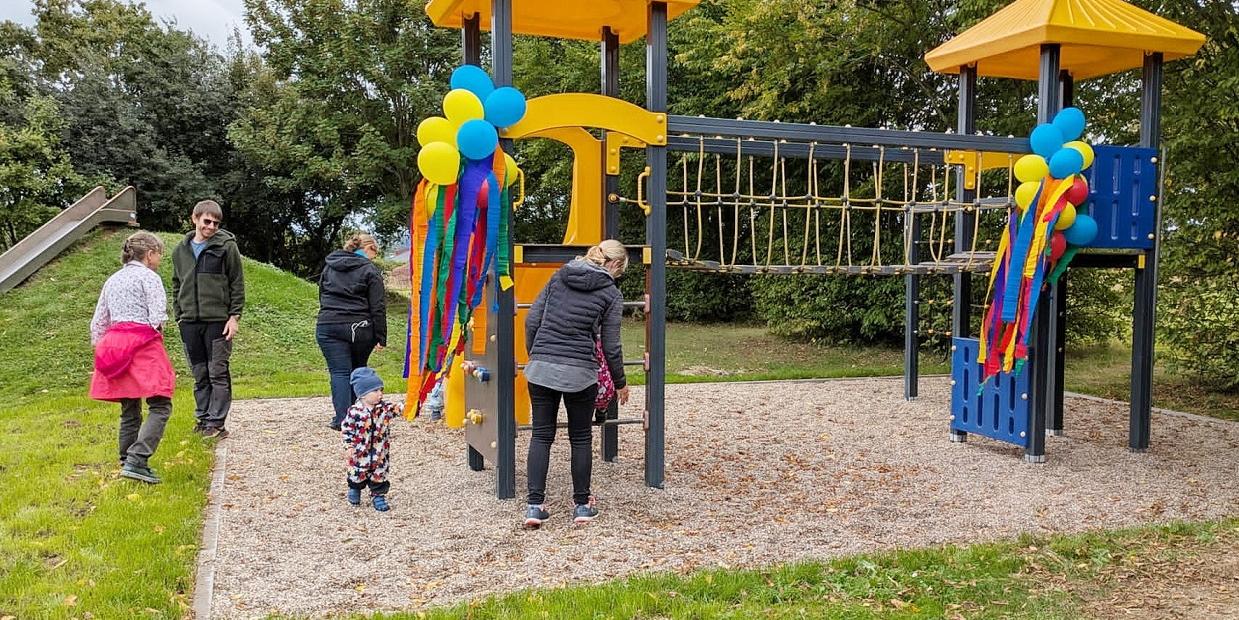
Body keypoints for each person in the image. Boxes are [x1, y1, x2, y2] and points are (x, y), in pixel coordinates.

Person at [522, 239, 630, 528]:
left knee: (541, 435)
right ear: (615, 264)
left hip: (541, 367)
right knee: (580, 437)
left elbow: (532, 320)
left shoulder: (560, 275)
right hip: (580, 372)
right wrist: (620, 382)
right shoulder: (610, 294)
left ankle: (535, 507)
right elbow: (611, 345)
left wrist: (537, 354)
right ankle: (582, 505)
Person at [90, 232, 177, 484]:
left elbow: (99, 321)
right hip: (142, 343)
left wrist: (102, 348)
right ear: (150, 254)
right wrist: (156, 337)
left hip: (115, 343)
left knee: (129, 407)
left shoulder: (112, 280)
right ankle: (137, 460)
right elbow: (157, 315)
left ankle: (125, 460)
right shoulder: (149, 278)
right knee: (160, 404)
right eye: (159, 254)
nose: (160, 260)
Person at [171, 199, 245, 439]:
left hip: (217, 321)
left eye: (215, 223)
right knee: (199, 373)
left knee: (217, 372)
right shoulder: (180, 251)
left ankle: (217, 423)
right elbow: (176, 284)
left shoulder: (226, 247)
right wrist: (179, 315)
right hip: (190, 322)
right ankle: (202, 418)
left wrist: (234, 316)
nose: (211, 226)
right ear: (195, 218)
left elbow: (236, 282)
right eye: (207, 221)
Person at [316, 233, 387, 431]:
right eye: (375, 252)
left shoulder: (330, 265)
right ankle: (359, 416)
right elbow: (378, 306)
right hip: (359, 327)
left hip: (328, 324)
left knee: (339, 372)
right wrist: (381, 335)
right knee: (357, 370)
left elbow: (322, 293)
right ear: (368, 248)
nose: (375, 257)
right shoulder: (369, 270)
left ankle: (342, 419)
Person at [341, 367, 401, 512]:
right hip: (360, 451)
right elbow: (347, 429)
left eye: (381, 390)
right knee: (357, 472)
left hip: (380, 451)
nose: (380, 394)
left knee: (379, 473)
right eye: (375, 391)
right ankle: (355, 489)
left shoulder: (384, 409)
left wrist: (407, 406)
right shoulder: (355, 412)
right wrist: (349, 446)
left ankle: (378, 495)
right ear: (362, 394)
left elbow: (397, 409)